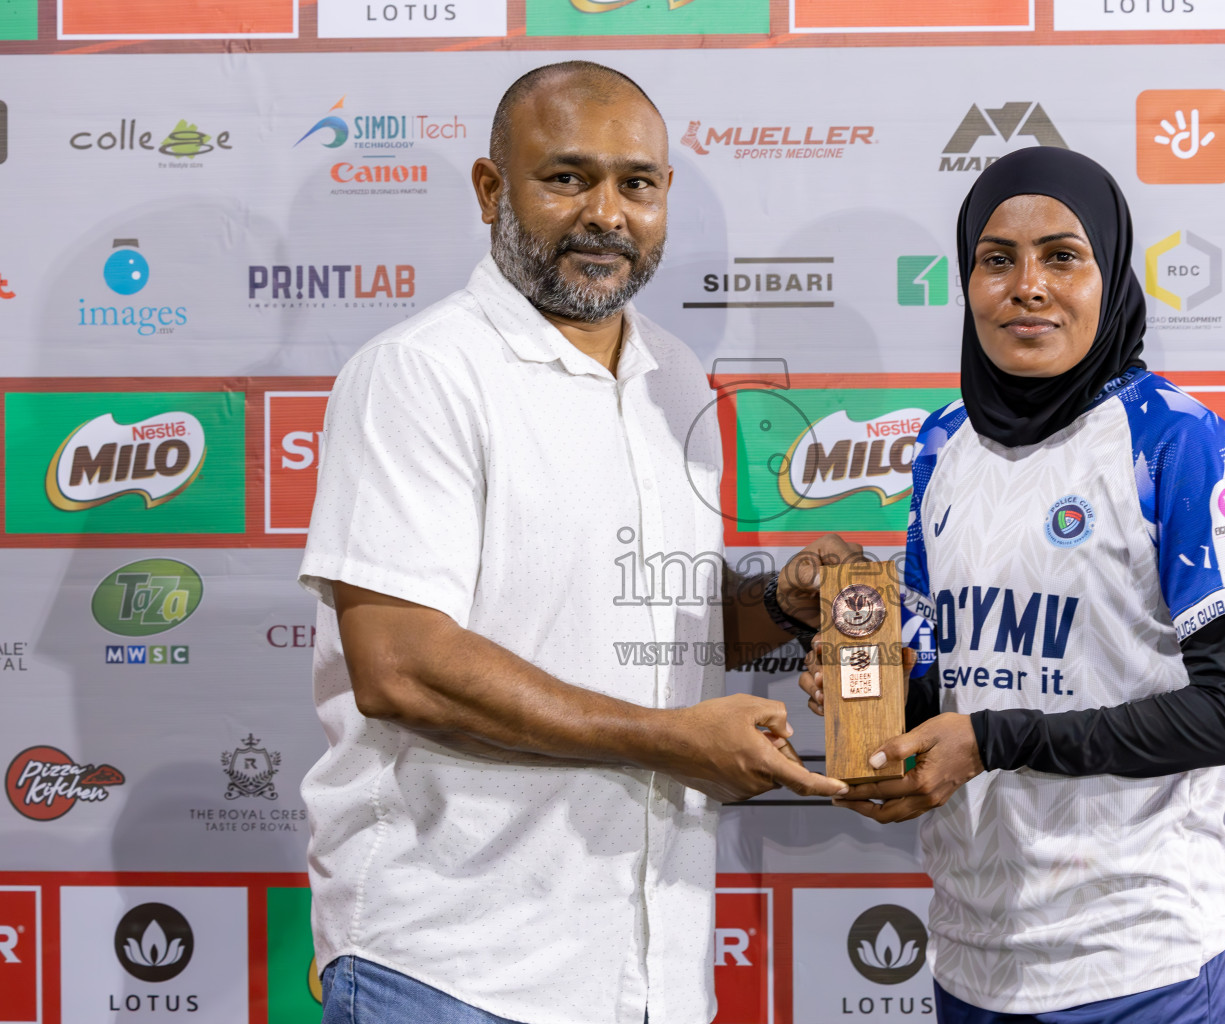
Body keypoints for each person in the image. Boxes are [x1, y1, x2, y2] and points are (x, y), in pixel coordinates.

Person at [298, 61, 852, 1024]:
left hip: (650, 972)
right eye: (567, 178)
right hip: (448, 967)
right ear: (489, 189)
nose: (607, 214)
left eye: (636, 184)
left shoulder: (675, 377)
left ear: (664, 198)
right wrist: (669, 741)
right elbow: (401, 666)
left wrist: (783, 604)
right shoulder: (420, 374)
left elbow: (646, 621)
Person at [800, 147, 1225, 1023]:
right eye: (997, 260)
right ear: (967, 281)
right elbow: (955, 673)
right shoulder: (944, 442)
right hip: (974, 957)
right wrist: (865, 688)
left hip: (1141, 959)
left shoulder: (1176, 441)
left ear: (1110, 274)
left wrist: (991, 740)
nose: (1027, 286)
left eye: (1062, 256)